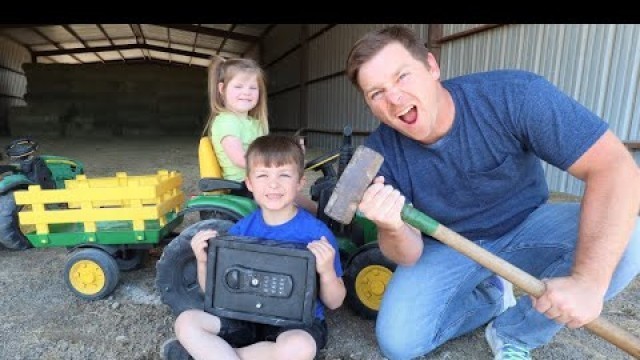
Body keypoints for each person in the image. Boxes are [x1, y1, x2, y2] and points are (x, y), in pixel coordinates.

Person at [345, 25, 640, 360]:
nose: (394, 98)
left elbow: (617, 168)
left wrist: (588, 282)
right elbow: (407, 255)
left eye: (402, 77)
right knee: (399, 343)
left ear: (431, 66)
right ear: (370, 106)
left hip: (529, 226)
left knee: (629, 242)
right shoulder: (378, 156)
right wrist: (392, 226)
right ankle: (490, 298)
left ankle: (514, 332)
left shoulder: (512, 95)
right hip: (446, 246)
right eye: (376, 93)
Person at [162, 134, 346, 360]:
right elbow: (211, 292)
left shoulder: (317, 234)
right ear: (249, 183)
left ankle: (208, 355)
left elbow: (335, 302)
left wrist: (327, 270)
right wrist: (202, 260)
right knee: (186, 321)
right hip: (242, 317)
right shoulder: (240, 230)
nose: (273, 184)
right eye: (262, 175)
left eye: (284, 175)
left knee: (301, 347)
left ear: (300, 183)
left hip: (295, 324)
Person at [202, 55, 318, 213]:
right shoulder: (226, 122)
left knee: (309, 206)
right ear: (222, 89)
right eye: (239, 87)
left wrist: (292, 152)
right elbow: (240, 159)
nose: (246, 92)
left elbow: (267, 151)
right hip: (243, 186)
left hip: (261, 179)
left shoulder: (254, 123)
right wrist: (279, 161)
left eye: (252, 88)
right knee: (299, 208)